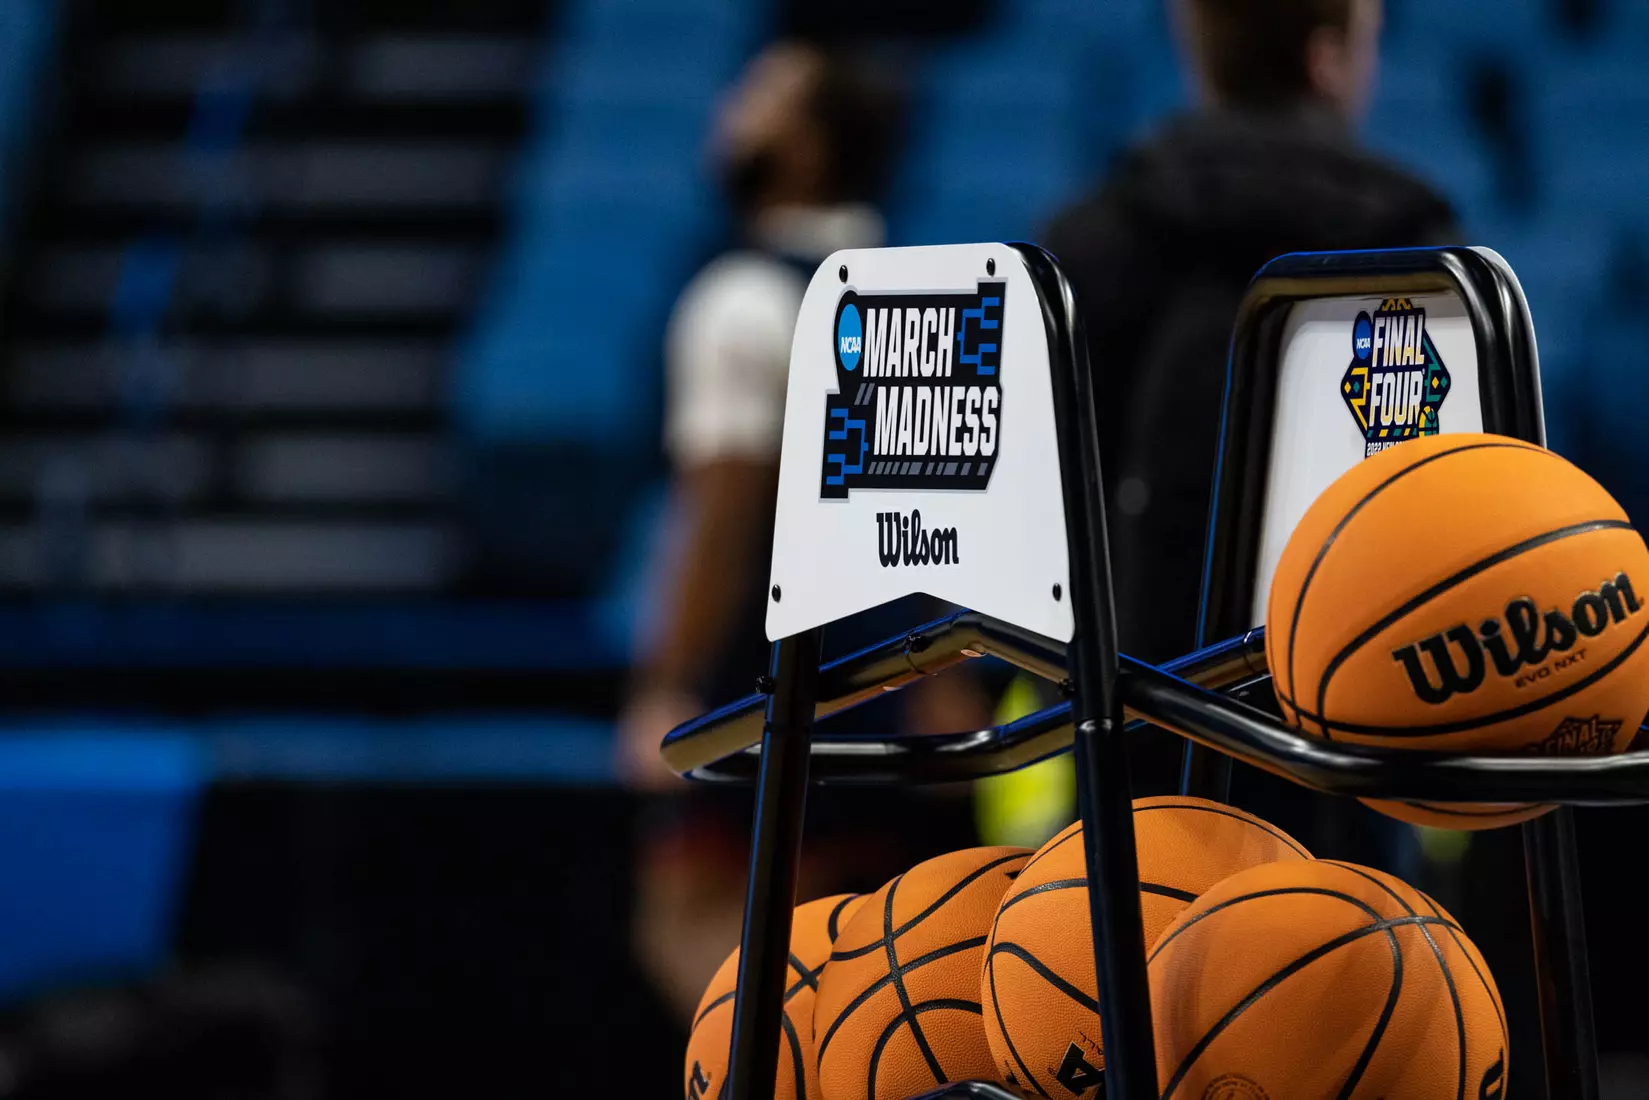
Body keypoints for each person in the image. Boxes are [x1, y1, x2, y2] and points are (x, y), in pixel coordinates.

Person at [615, 40, 987, 1028]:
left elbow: (723, 511)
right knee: (862, 968)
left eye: (760, 98)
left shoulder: (738, 300)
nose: (729, 110)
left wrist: (666, 680)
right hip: (903, 693)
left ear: (811, 146)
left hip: (766, 684)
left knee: (696, 932)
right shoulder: (919, 296)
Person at [1044, 0, 1457, 671]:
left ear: (1197, 49)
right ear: (1325, 61)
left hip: (1136, 711)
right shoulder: (1421, 257)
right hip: (1355, 708)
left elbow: (1041, 528)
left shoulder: (1086, 243)